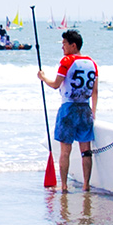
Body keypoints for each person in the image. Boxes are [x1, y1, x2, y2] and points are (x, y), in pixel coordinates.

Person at [39, 29, 98, 193]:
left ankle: (64, 186)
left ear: (73, 45)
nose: (62, 47)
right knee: (86, 151)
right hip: (85, 108)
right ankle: (86, 185)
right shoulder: (92, 63)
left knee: (65, 151)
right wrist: (93, 111)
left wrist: (43, 77)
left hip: (68, 108)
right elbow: (95, 91)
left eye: (64, 43)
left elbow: (56, 84)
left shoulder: (66, 61)